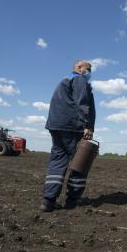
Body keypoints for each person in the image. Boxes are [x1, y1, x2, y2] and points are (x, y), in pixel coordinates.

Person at [41, 60, 96, 212]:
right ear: (79, 68)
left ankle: (48, 201)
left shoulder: (64, 81)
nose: (90, 72)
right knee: (80, 162)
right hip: (72, 127)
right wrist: (87, 125)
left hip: (56, 126)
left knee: (58, 161)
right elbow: (82, 102)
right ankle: (72, 201)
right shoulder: (79, 80)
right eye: (88, 69)